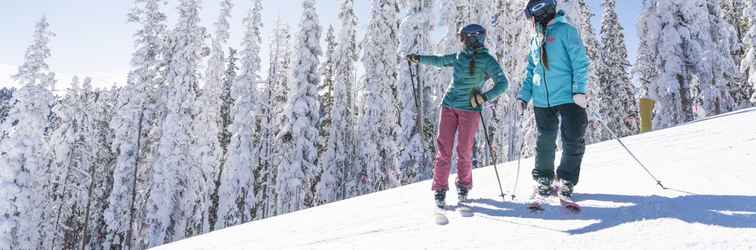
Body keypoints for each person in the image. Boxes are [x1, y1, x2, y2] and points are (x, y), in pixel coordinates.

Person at [407, 24, 509, 208]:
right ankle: (439, 189)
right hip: (448, 107)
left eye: (462, 37)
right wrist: (419, 59)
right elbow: (439, 61)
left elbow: (503, 83)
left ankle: (463, 186)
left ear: (472, 38)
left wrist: (484, 97)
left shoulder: (487, 60)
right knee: (443, 149)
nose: (461, 41)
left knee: (464, 150)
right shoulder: (459, 56)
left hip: (469, 110)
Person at [518, 0, 591, 202]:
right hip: (542, 99)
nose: (531, 22)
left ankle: (567, 178)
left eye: (531, 17)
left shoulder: (566, 31)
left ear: (540, 12)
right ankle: (544, 177)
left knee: (573, 139)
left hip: (568, 96)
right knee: (545, 141)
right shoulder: (535, 38)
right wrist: (524, 95)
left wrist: (579, 90)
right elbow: (531, 70)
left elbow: (580, 62)